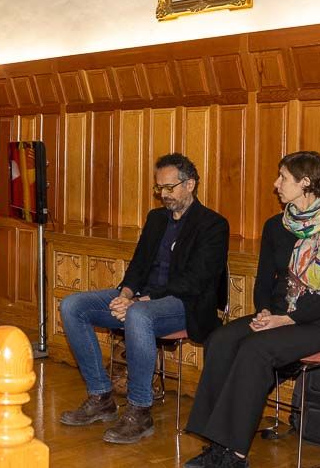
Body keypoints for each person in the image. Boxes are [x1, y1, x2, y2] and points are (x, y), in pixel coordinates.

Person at [184, 151, 320, 468]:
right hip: (277, 314)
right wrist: (265, 311)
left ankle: (235, 453)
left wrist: (287, 320)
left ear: (306, 183)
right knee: (221, 339)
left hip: (319, 321)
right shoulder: (276, 226)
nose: (276, 184)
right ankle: (216, 441)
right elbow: (265, 282)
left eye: (283, 178)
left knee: (255, 350)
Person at [58, 153, 230, 444]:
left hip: (184, 305)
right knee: (73, 305)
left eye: (170, 188)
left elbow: (195, 280)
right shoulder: (156, 219)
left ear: (190, 184)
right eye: (159, 188)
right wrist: (125, 294)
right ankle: (101, 397)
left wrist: (141, 301)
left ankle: (140, 410)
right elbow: (138, 265)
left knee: (138, 315)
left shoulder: (213, 224)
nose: (164, 195)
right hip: (141, 299)